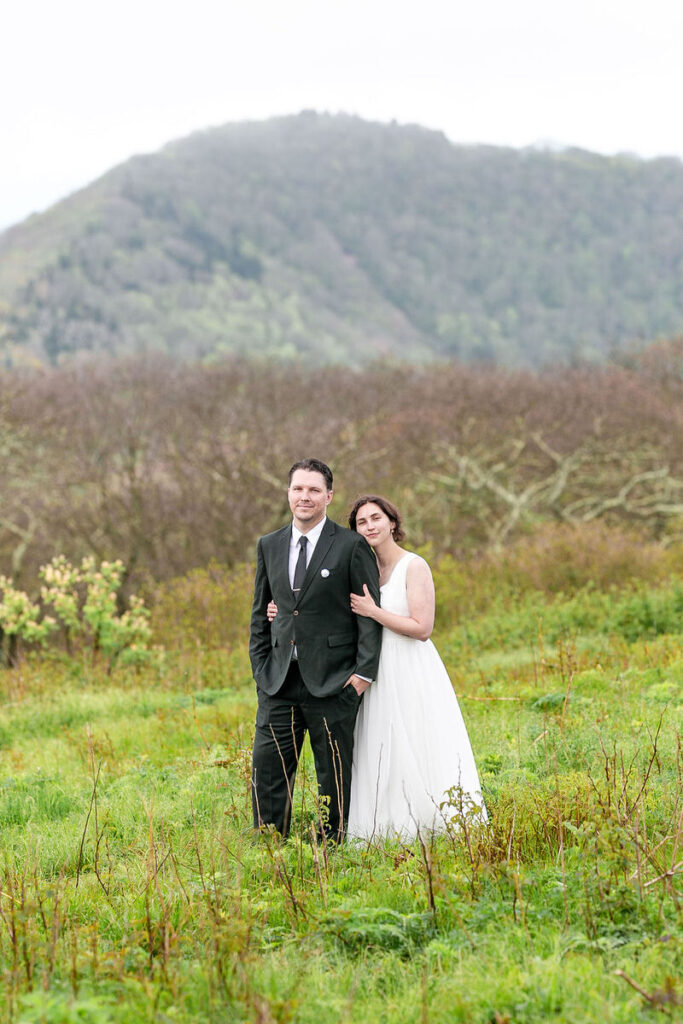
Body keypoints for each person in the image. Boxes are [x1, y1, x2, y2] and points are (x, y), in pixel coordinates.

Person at [249, 458, 382, 842]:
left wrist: (361, 675)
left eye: (313, 490)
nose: (304, 497)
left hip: (334, 681)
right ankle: (269, 846)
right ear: (288, 492)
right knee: (268, 771)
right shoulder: (269, 545)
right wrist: (261, 667)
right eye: (297, 489)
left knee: (334, 773)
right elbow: (261, 612)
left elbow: (368, 615)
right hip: (278, 681)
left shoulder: (351, 545)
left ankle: (333, 846)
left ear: (328, 496)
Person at [344, 495, 487, 838]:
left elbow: (422, 628)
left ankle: (435, 824)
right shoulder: (363, 570)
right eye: (361, 523)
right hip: (376, 669)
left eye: (375, 518)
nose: (369, 527)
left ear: (392, 522)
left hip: (410, 666)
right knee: (381, 743)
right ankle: (388, 829)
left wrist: (373, 611)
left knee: (418, 739)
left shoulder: (414, 566)